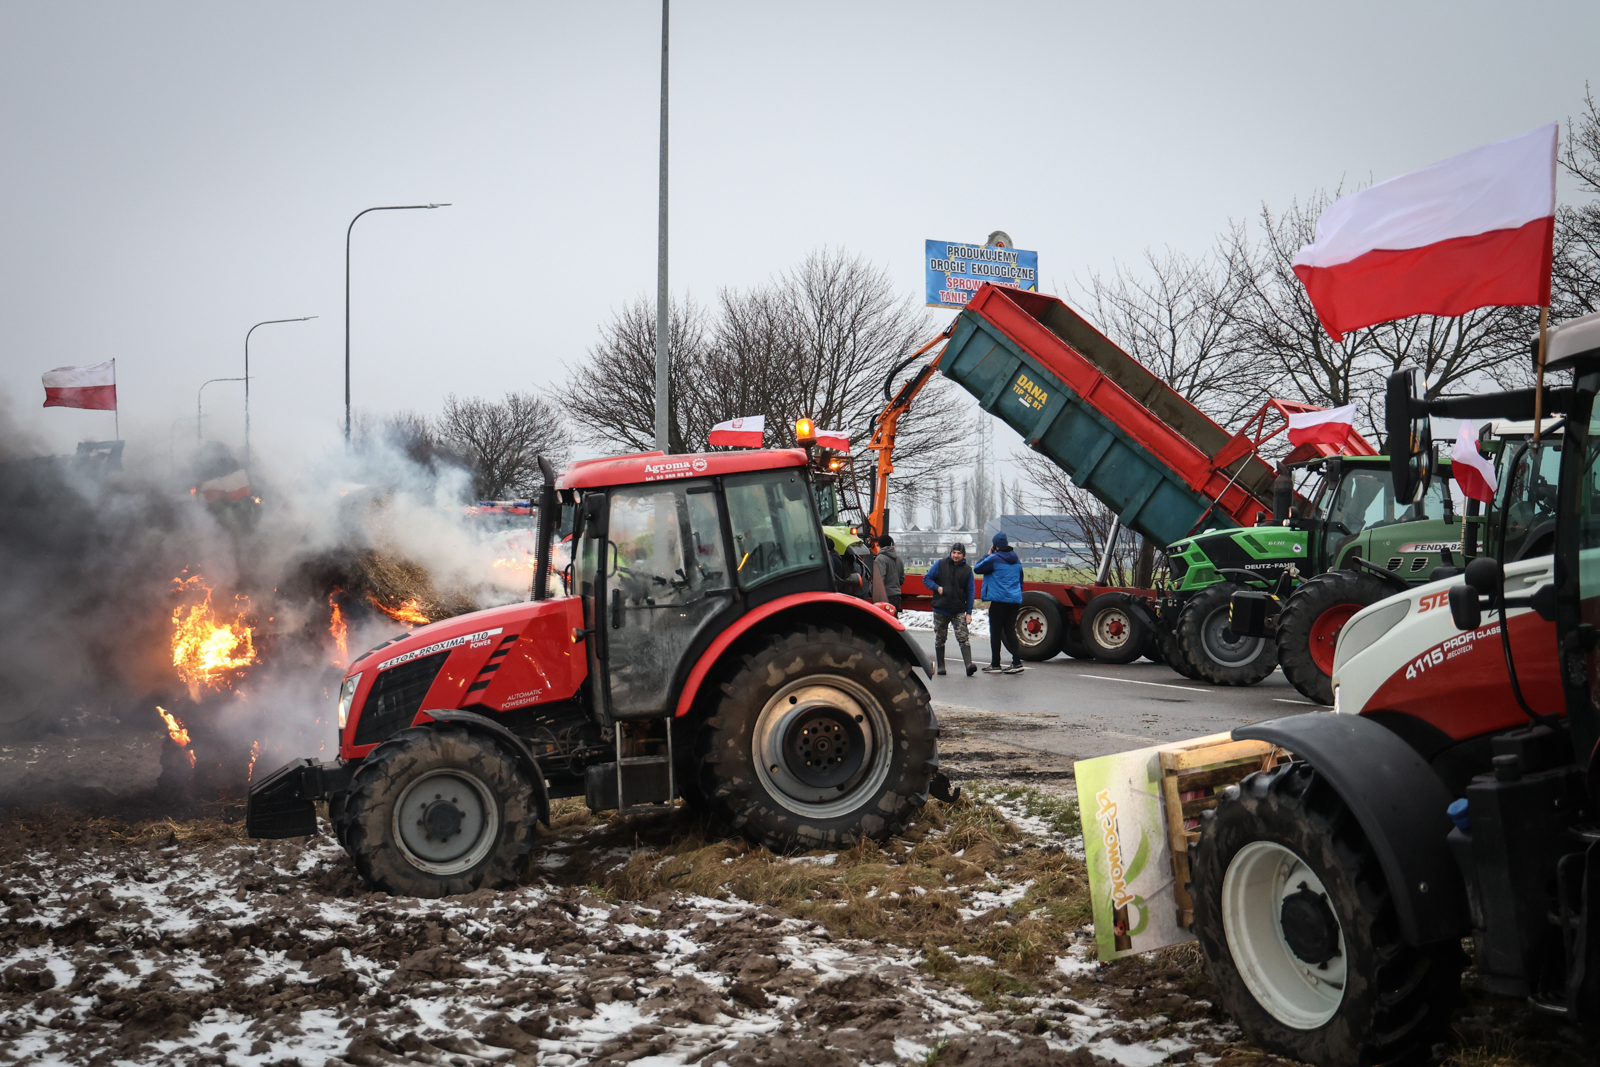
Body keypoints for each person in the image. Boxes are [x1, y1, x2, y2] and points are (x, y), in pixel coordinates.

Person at [974, 532, 1024, 674]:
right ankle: (1017, 662)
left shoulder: (994, 559)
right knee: (1010, 631)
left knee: (995, 632)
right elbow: (1021, 580)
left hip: (999, 600)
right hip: (1014, 600)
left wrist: (988, 555)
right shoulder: (1016, 559)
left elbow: (977, 569)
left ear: (995, 545)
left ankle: (996, 664)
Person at [923, 542, 975, 676]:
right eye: (954, 553)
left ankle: (968, 665)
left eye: (959, 553)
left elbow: (970, 592)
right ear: (950, 553)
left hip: (958, 609)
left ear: (963, 555)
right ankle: (941, 666)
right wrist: (937, 587)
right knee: (940, 637)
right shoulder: (940, 564)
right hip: (941, 607)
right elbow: (926, 579)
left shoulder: (967, 570)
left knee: (963, 637)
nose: (956, 555)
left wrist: (969, 612)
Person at [870, 535, 905, 614]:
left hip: (884, 597)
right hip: (896, 595)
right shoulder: (898, 559)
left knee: (882, 621)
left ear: (880, 545)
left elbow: (879, 579)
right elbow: (902, 579)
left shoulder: (880, 559)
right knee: (893, 620)